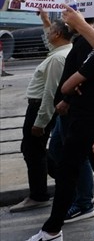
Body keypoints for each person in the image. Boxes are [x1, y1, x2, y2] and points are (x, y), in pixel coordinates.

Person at [13, 15, 94, 241]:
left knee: (69, 172)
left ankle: (52, 230)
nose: (84, 26)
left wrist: (71, 90)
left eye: (90, 27)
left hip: (86, 122)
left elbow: (65, 86)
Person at [11, 12, 72, 213]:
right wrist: (46, 21)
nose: (47, 35)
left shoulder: (57, 59)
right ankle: (65, 183)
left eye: (50, 31)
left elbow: (50, 93)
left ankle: (39, 195)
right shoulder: (62, 50)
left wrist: (41, 121)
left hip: (40, 108)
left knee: (32, 150)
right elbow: (50, 45)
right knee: (36, 150)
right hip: (40, 108)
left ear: (58, 35)